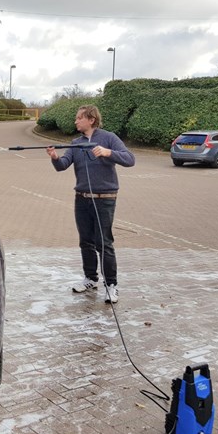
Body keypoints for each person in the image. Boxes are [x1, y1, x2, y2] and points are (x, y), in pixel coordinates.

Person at [46, 105, 135, 303]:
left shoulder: (108, 138)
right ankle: (90, 279)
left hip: (105, 199)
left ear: (91, 120)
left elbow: (130, 159)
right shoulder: (76, 143)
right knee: (85, 241)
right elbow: (62, 166)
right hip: (82, 198)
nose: (76, 121)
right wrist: (54, 158)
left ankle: (111, 285)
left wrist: (107, 152)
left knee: (103, 242)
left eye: (79, 118)